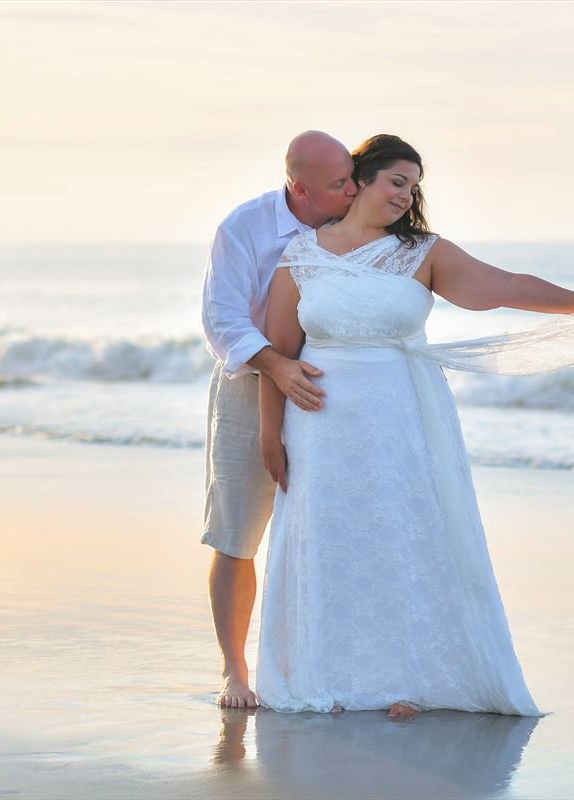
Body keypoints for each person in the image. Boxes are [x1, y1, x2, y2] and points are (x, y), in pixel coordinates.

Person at [256, 134, 574, 720]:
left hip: (401, 418)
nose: (405, 195)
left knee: (404, 540)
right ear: (360, 179)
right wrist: (271, 436)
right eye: (397, 181)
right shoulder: (302, 255)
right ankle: (333, 675)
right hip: (319, 427)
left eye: (414, 187)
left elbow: (505, 287)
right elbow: (277, 355)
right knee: (330, 542)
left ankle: (404, 680)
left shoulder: (421, 251)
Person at [199, 130, 358, 709]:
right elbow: (221, 321)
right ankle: (235, 671)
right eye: (340, 184)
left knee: (334, 529)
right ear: (301, 188)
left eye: (352, 177)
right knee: (237, 533)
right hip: (249, 387)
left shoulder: (360, 225)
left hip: (333, 393)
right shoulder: (245, 227)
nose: (352, 190)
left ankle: (329, 667)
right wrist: (277, 367)